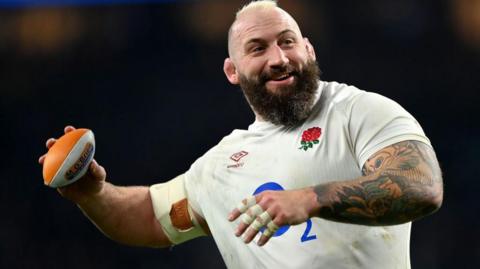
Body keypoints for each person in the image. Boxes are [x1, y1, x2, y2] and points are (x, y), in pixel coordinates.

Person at [38, 1, 443, 268]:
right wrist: (92, 194)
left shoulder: (359, 111)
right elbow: (149, 217)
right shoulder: (220, 166)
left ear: (310, 50)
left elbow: (420, 186)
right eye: (257, 48)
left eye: (287, 42)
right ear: (233, 71)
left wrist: (311, 198)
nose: (278, 58)